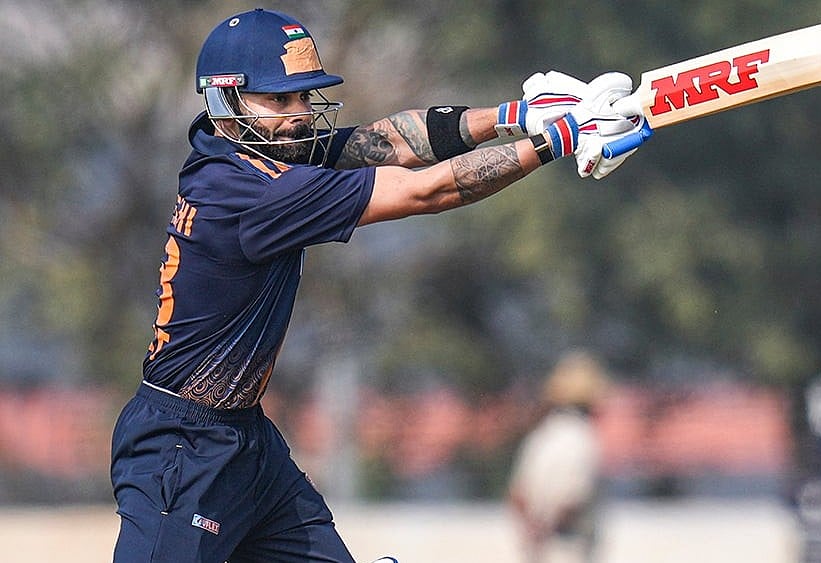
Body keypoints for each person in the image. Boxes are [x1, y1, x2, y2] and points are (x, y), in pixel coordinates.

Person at [109, 8, 647, 563]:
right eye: (279, 100)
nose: (298, 115)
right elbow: (424, 191)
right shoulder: (251, 195)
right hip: (181, 447)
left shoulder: (259, 154)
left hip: (244, 440)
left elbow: (391, 141)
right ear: (225, 101)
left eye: (303, 98)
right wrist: (561, 138)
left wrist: (519, 115)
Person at [508, 350, 611, 563]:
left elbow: (517, 495)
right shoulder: (581, 438)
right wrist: (547, 531)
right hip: (569, 552)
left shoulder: (541, 436)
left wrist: (532, 533)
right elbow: (572, 498)